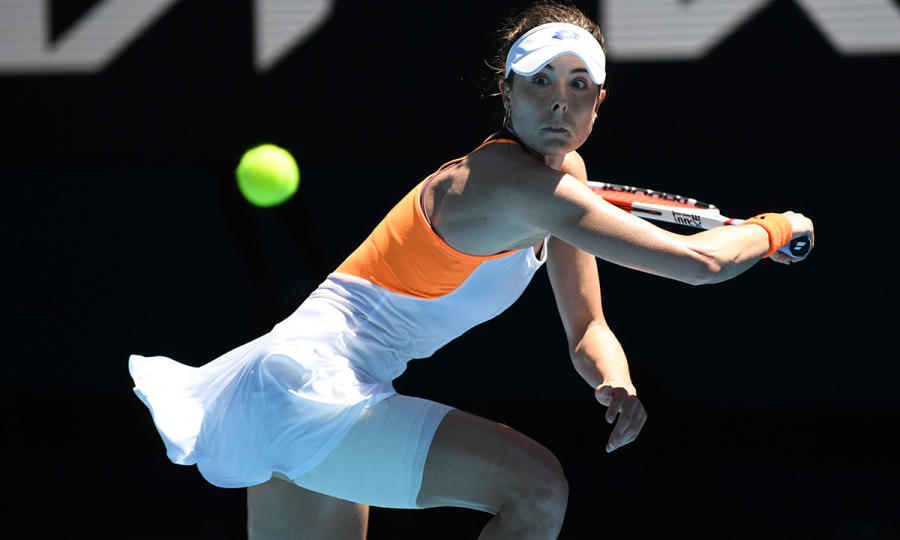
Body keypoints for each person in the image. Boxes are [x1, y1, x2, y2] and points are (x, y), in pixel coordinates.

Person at [129, 2, 814, 539]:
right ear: (506, 91)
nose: (558, 100)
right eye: (540, 80)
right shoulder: (507, 185)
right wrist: (776, 229)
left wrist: (614, 380)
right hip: (310, 384)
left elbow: (587, 326)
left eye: (578, 85)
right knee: (536, 488)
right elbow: (700, 263)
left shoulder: (557, 183)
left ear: (597, 103)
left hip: (290, 383)